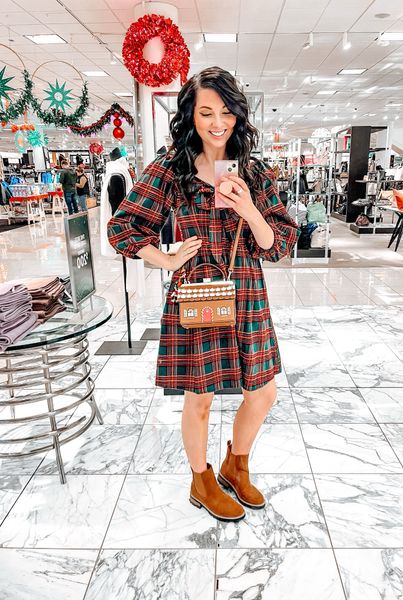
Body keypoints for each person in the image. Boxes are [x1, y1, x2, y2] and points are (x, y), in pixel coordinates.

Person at [108, 66, 299, 523]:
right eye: (206, 111)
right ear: (190, 115)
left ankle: (237, 464)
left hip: (247, 290)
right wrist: (168, 260)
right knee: (201, 397)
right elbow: (122, 229)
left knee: (264, 392)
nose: (218, 123)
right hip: (197, 291)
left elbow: (280, 245)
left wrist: (249, 208)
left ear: (238, 115)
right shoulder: (171, 169)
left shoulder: (253, 171)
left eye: (227, 112)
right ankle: (201, 478)